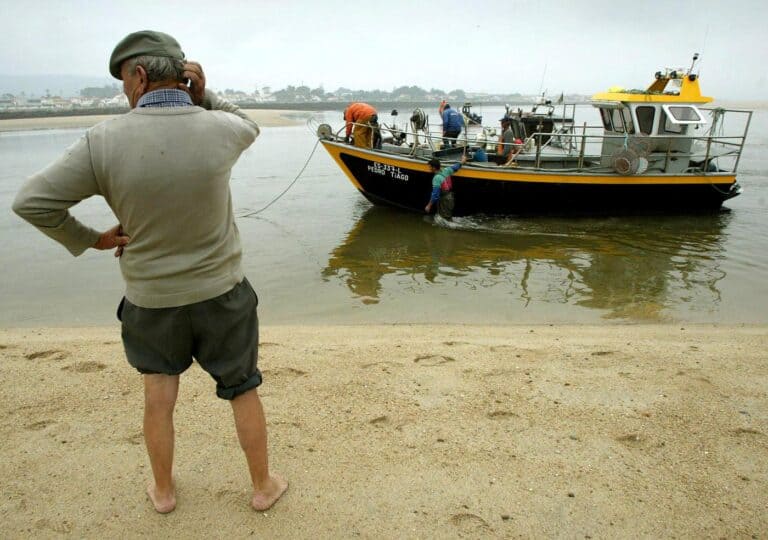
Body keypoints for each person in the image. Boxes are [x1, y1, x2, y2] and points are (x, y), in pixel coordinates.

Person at [12, 30, 287, 514]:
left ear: (138, 76)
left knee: (159, 397)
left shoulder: (103, 140)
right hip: (223, 294)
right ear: (181, 75)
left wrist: (92, 238)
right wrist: (206, 98)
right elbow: (248, 124)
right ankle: (263, 486)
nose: (124, 91)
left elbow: (31, 203)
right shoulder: (218, 127)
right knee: (243, 389)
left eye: (122, 81)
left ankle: (163, 492)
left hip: (151, 301)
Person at [424, 154, 467, 219]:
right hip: (450, 197)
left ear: (434, 167)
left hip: (444, 200)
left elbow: (435, 194)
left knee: (443, 219)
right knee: (447, 217)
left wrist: (429, 205)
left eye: (430, 167)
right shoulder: (446, 170)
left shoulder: (436, 178)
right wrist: (462, 161)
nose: (429, 168)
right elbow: (455, 167)